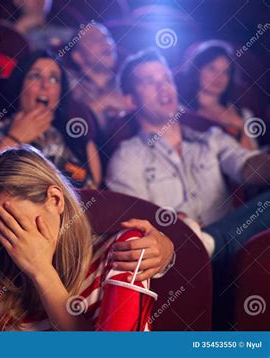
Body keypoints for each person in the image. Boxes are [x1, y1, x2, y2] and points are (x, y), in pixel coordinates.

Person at [105, 48, 270, 328]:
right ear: (131, 100)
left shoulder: (211, 139)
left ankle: (212, 242)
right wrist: (175, 226)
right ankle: (206, 244)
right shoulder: (127, 157)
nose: (163, 86)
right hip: (177, 267)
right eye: (149, 81)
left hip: (237, 262)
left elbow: (248, 166)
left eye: (166, 77)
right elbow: (136, 227)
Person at [0, 146, 175, 331]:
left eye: (18, 224)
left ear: (55, 200)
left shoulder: (123, 253)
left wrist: (42, 272)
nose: (14, 243)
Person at [0, 50, 102, 189]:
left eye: (54, 79)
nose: (45, 85)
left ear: (60, 92)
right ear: (20, 85)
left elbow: (93, 196)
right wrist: (14, 138)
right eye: (35, 76)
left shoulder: (79, 139)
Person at [176, 40, 258, 149]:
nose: (218, 77)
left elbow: (254, 159)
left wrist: (240, 128)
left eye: (225, 72)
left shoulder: (243, 114)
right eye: (212, 69)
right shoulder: (179, 111)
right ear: (197, 70)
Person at [66, 23, 133, 131]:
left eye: (107, 37)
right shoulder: (67, 83)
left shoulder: (128, 82)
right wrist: (102, 103)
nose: (104, 42)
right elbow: (67, 123)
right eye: (94, 39)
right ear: (78, 56)